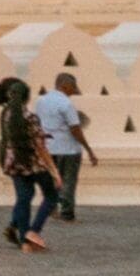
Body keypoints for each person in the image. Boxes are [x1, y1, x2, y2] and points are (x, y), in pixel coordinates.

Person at [0, 77, 55, 252]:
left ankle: (23, 239)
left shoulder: (6, 115)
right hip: (33, 162)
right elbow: (39, 146)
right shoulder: (30, 117)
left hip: (14, 162)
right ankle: (33, 231)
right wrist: (54, 171)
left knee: (24, 197)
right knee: (51, 195)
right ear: (27, 98)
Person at [39, 69, 97, 220]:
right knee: (68, 181)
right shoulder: (66, 104)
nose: (74, 91)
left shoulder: (41, 101)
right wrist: (88, 149)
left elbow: (38, 125)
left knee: (53, 180)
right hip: (68, 149)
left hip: (48, 147)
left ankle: (51, 208)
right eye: (73, 87)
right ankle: (67, 212)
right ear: (65, 86)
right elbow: (75, 129)